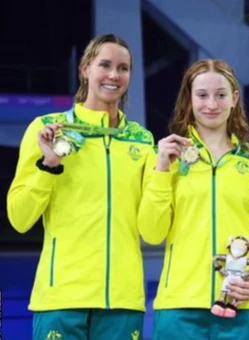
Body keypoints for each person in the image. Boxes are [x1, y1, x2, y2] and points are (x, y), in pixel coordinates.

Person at [6, 34, 154, 339]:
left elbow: (151, 222)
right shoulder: (47, 129)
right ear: (85, 69)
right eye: (105, 65)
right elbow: (19, 219)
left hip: (123, 301)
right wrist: (49, 166)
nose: (114, 75)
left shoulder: (141, 140)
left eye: (123, 68)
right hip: (62, 297)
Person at [137, 59, 249, 340]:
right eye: (202, 95)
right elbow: (151, 233)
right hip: (178, 309)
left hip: (239, 306)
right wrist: (162, 169)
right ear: (189, 100)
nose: (211, 104)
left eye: (221, 94)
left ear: (234, 99)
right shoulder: (165, 157)